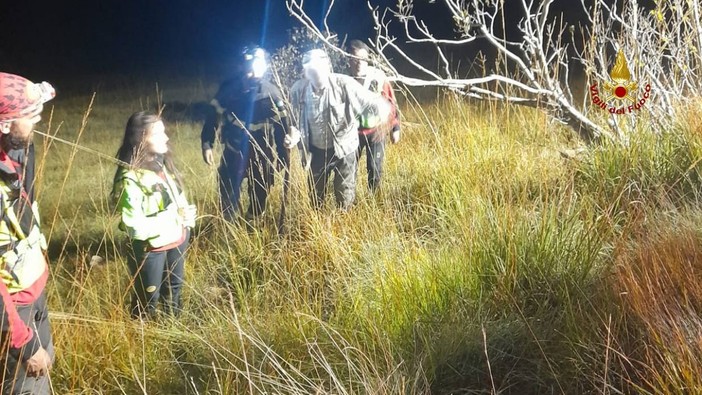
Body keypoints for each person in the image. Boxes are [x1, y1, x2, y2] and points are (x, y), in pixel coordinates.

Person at [0, 72, 56, 394]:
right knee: (26, 385)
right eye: (31, 116)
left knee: (43, 377)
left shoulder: (16, 148)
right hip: (12, 313)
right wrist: (21, 342)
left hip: (33, 290)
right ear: (5, 124)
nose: (37, 122)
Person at [112, 112, 196, 319]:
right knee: (148, 299)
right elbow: (134, 227)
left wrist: (186, 216)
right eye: (158, 134)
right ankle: (143, 338)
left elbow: (175, 195)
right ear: (140, 137)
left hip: (177, 240)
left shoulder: (160, 163)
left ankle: (175, 328)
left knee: (174, 289)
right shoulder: (129, 177)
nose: (166, 137)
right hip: (151, 249)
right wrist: (173, 220)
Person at [284, 48, 391, 210]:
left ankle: (343, 224)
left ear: (327, 67)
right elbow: (295, 122)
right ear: (306, 71)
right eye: (311, 69)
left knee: (344, 196)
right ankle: (319, 228)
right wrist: (292, 137)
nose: (316, 73)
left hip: (344, 150)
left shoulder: (343, 84)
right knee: (315, 196)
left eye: (319, 67)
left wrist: (384, 113)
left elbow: (371, 101)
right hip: (316, 152)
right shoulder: (298, 91)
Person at [201, 46, 291, 221]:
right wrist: (207, 143)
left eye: (257, 65)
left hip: (261, 154)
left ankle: (251, 227)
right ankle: (229, 230)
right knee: (227, 194)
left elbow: (282, 125)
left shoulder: (271, 92)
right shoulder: (229, 88)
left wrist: (282, 154)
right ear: (242, 65)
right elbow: (213, 115)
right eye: (248, 65)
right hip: (233, 151)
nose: (251, 72)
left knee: (259, 197)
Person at [348, 40, 401, 193]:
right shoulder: (343, 80)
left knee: (374, 168)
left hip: (376, 131)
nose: (359, 63)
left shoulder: (377, 77)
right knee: (349, 169)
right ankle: (349, 202)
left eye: (363, 59)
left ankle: (373, 201)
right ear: (348, 59)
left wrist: (395, 128)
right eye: (355, 59)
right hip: (352, 134)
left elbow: (391, 103)